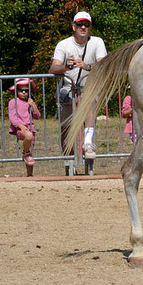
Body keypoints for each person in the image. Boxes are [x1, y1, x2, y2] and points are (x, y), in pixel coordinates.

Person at [49, 12, 107, 174]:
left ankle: (88, 144)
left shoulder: (97, 42)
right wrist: (66, 67)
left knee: (88, 103)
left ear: (90, 27)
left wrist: (87, 66)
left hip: (88, 87)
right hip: (67, 88)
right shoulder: (64, 45)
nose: (83, 27)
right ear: (73, 26)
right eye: (80, 24)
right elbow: (53, 68)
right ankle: (69, 161)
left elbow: (104, 63)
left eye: (86, 24)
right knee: (66, 128)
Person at [7, 78, 40, 177]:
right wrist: (20, 126)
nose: (24, 92)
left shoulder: (30, 102)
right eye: (21, 90)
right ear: (16, 91)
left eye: (26, 90)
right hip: (20, 129)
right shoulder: (13, 102)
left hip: (31, 128)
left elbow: (37, 116)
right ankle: (25, 153)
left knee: (31, 153)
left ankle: (30, 175)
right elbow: (12, 117)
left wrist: (33, 105)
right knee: (28, 137)